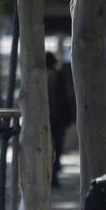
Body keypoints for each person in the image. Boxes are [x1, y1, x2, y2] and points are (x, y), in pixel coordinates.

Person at [47, 51, 74, 187]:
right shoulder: (59, 76)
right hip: (58, 118)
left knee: (49, 149)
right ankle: (54, 175)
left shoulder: (41, 77)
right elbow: (66, 98)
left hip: (49, 119)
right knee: (57, 149)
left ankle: (50, 175)